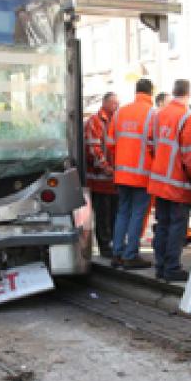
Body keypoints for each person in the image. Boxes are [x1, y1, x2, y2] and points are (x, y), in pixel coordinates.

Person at [147, 79, 191, 281]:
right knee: (177, 227)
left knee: (162, 225)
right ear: (188, 94)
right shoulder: (187, 117)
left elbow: (151, 145)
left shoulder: (159, 114)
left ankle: (160, 266)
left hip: (159, 182)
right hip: (178, 184)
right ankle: (172, 268)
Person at [108, 78, 156, 269]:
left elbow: (110, 143)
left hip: (122, 174)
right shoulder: (152, 114)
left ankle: (117, 253)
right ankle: (130, 255)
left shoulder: (120, 112)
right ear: (151, 93)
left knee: (122, 213)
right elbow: (155, 146)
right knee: (137, 214)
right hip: (142, 175)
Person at [84, 92, 119, 258]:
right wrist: (107, 168)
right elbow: (93, 149)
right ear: (104, 103)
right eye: (113, 103)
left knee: (113, 215)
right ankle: (105, 246)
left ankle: (112, 244)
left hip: (113, 180)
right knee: (103, 216)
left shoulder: (115, 121)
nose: (116, 106)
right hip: (100, 180)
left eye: (117, 103)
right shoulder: (95, 121)